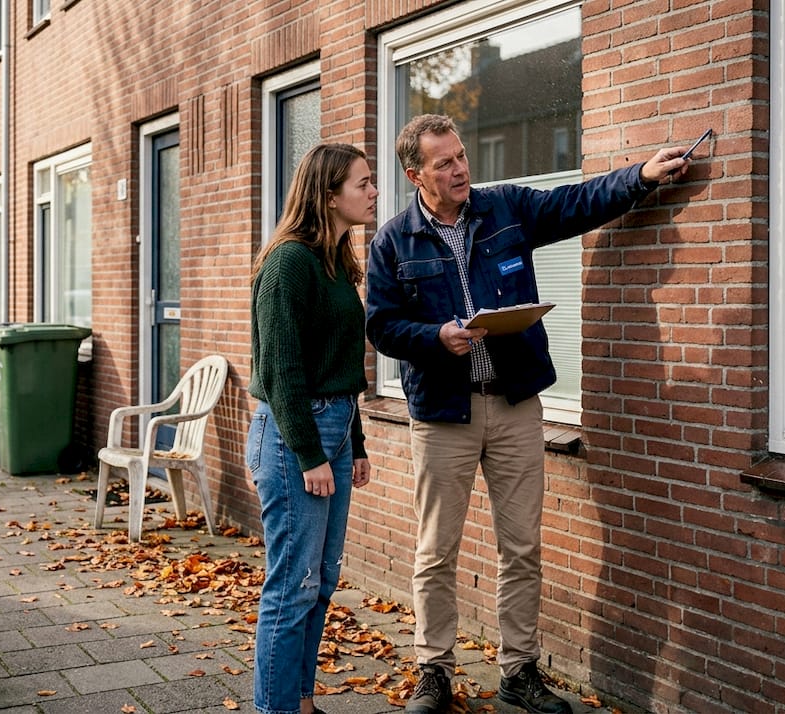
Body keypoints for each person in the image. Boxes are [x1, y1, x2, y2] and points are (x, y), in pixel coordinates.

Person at [365, 114, 692, 714]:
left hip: (514, 406)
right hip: (443, 416)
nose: (461, 168)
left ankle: (519, 670)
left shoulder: (506, 210)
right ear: (416, 174)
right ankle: (433, 670)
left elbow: (576, 203)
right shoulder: (392, 240)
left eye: (462, 155)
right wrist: (435, 337)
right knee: (437, 549)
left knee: (522, 546)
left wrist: (640, 178)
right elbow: (381, 326)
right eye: (444, 162)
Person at [247, 142, 377, 714]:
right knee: (291, 586)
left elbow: (340, 364)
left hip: (334, 432)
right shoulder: (289, 262)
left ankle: (300, 701)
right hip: (293, 438)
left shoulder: (335, 259)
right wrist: (310, 455)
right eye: (363, 183)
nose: (373, 192)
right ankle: (275, 708)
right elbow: (282, 371)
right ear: (329, 195)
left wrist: (356, 444)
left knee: (319, 583)